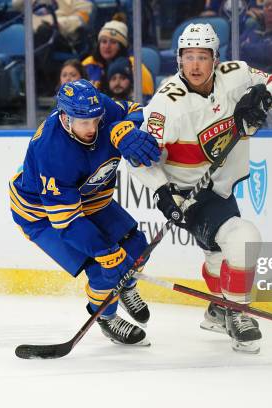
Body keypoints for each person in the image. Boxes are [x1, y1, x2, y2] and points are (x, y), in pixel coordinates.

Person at [129, 23, 272, 354]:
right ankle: (237, 312)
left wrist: (265, 96)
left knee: (218, 253)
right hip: (187, 196)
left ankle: (219, 307)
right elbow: (139, 158)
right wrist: (163, 192)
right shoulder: (167, 102)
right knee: (243, 238)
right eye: (188, 57)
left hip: (218, 188)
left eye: (202, 57)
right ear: (178, 59)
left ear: (215, 59)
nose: (195, 65)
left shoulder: (236, 74)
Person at [9, 79, 161, 346]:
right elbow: (67, 221)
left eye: (96, 121)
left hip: (91, 197)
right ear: (66, 118)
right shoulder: (51, 150)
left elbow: (137, 109)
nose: (92, 128)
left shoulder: (96, 108)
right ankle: (108, 318)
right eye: (84, 123)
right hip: (43, 214)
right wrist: (105, 252)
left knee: (137, 247)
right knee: (103, 268)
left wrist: (126, 129)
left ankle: (126, 288)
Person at [81, 19, 154, 98]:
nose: (107, 46)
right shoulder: (88, 64)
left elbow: (146, 95)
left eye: (113, 42)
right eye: (104, 41)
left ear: (121, 46)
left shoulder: (134, 64)